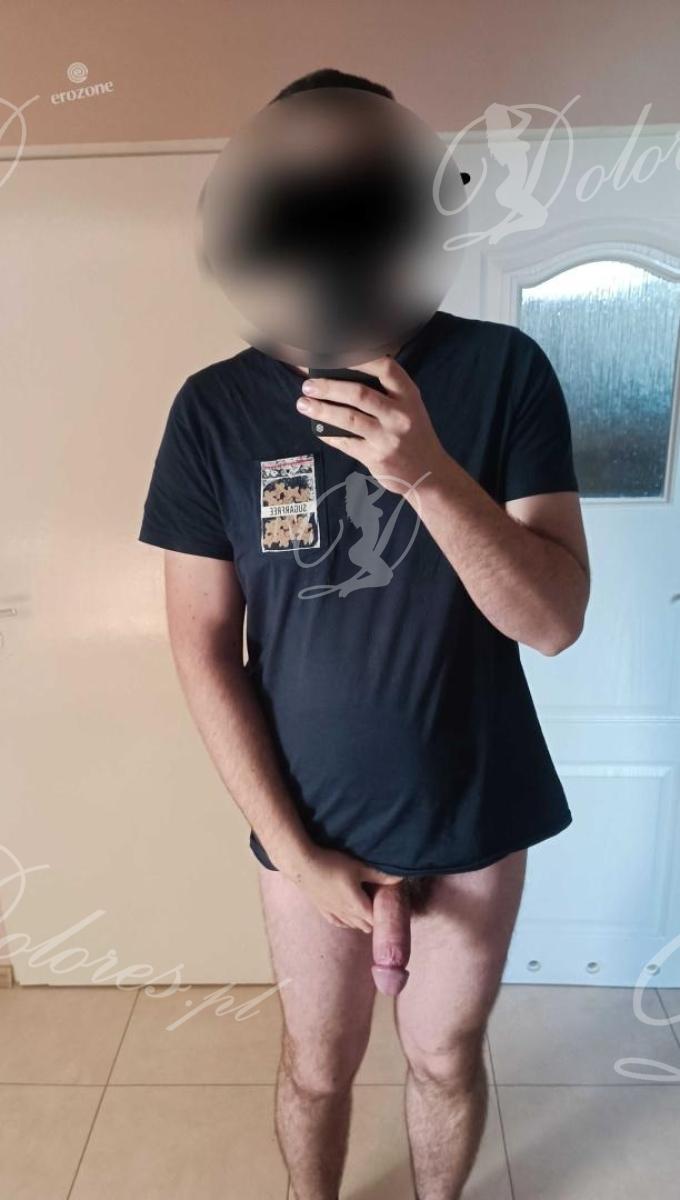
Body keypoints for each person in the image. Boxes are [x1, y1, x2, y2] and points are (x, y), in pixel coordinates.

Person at [138, 67, 590, 1200]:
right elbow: (201, 644)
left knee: (442, 1058)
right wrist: (294, 851)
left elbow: (553, 621)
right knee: (316, 1064)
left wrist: (426, 473)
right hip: (306, 820)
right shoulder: (211, 409)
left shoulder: (503, 371)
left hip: (473, 805)